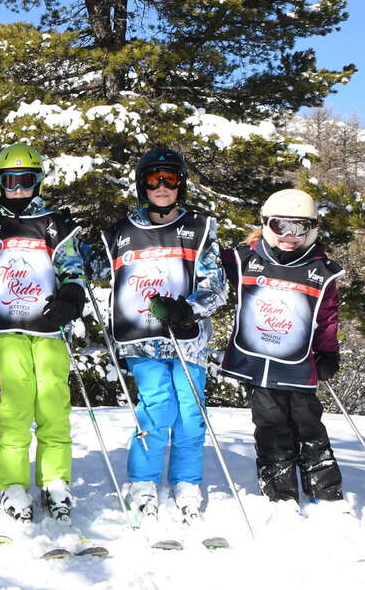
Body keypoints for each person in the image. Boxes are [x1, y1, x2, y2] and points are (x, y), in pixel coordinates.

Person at [90, 147, 227, 524]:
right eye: (153, 180)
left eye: (170, 179)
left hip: (186, 339)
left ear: (182, 184)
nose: (162, 187)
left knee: (190, 413)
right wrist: (68, 236)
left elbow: (216, 285)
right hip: (142, 338)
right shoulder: (120, 232)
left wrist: (189, 309)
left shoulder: (198, 229)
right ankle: (143, 481)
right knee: (158, 406)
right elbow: (90, 267)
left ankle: (187, 482)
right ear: (142, 185)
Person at [0, 144, 87, 523]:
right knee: (15, 404)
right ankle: (12, 483)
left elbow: (73, 268)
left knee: (53, 403)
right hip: (6, 326)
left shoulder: (54, 224)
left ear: (38, 182)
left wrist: (71, 298)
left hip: (48, 326)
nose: (19, 189)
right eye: (10, 182)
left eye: (26, 181)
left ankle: (55, 480)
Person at [220, 188, 344, 503]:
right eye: (280, 226)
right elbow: (204, 264)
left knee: (307, 422)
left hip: (298, 365)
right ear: (266, 223)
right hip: (258, 362)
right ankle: (280, 492)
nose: (289, 236)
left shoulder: (321, 271)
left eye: (299, 227)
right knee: (271, 423)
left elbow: (327, 316)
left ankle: (324, 489)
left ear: (312, 228)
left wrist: (328, 351)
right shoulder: (245, 259)